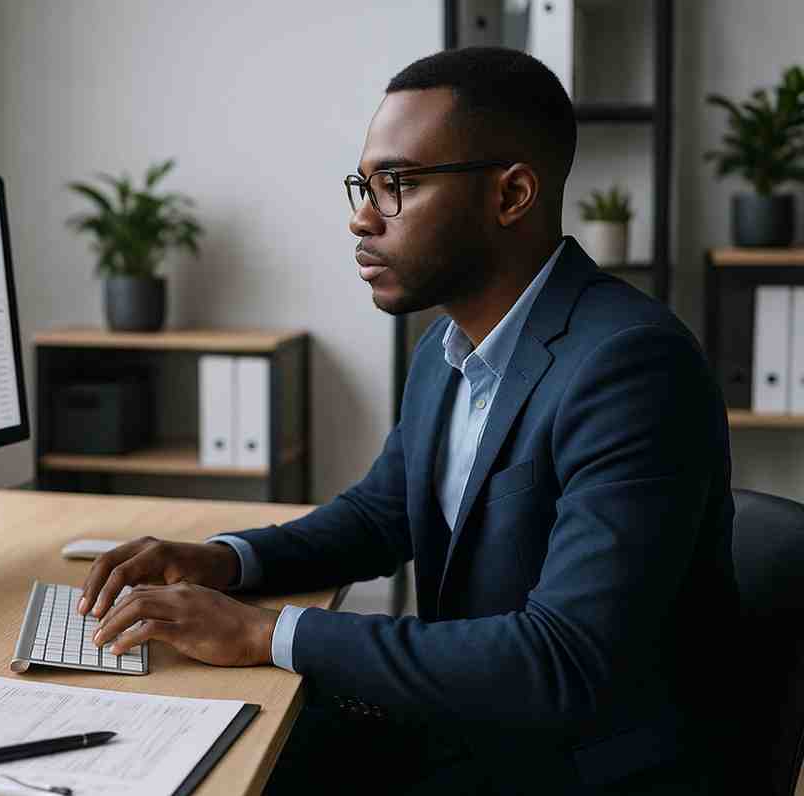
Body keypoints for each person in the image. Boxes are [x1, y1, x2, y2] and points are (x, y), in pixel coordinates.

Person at [78, 46, 740, 794]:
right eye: (365, 184)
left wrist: (264, 632)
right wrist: (225, 561)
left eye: (398, 184)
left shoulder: (631, 365)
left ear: (512, 194)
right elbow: (382, 514)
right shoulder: (445, 348)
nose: (363, 216)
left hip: (581, 767)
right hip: (471, 724)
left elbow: (565, 659)